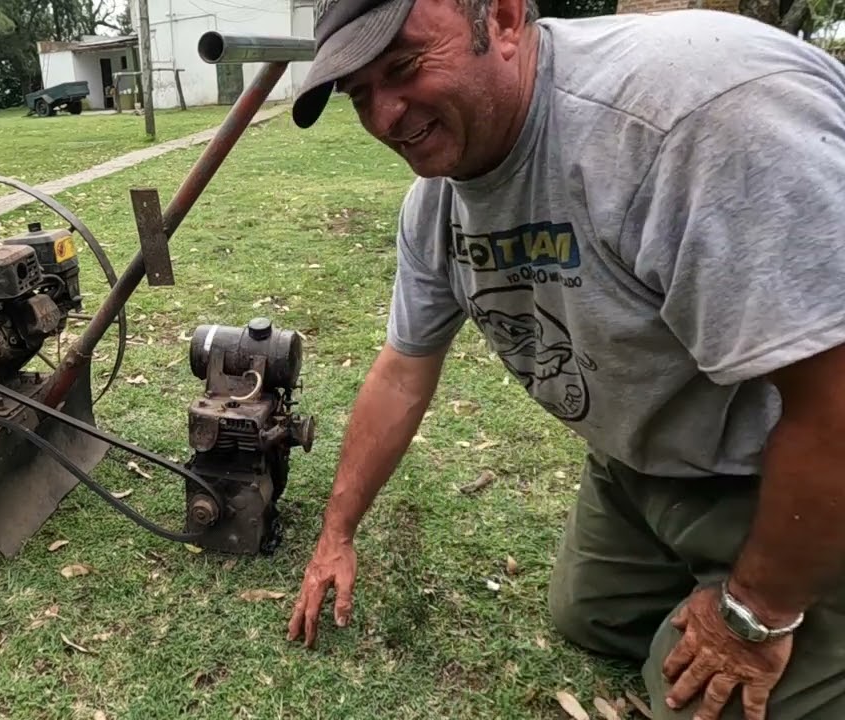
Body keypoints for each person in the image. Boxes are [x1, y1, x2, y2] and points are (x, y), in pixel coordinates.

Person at [284, 0, 845, 718]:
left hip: (784, 457)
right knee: (589, 617)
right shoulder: (437, 208)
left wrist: (756, 612)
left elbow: (835, 403)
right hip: (644, 462)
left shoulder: (688, 124)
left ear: (507, 19)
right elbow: (401, 372)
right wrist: (336, 535)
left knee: (709, 693)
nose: (387, 115)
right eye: (360, 93)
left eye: (405, 66)